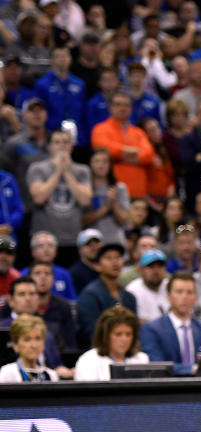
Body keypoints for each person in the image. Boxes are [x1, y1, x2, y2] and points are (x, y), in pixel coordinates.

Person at [26, 129, 93, 258]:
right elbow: (39, 198)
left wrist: (66, 172)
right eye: (57, 142)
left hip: (73, 237)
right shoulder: (37, 168)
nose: (62, 145)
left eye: (65, 142)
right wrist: (58, 172)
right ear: (49, 146)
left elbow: (85, 200)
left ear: (71, 147)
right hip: (44, 239)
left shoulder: (82, 170)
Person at [140, 271, 201, 375]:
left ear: (195, 298)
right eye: (179, 292)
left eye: (189, 292)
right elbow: (157, 365)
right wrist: (192, 369)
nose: (184, 297)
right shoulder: (152, 329)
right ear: (168, 296)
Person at [76, 242, 138, 346]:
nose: (115, 262)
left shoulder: (129, 297)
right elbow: (91, 332)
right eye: (108, 258)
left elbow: (134, 329)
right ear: (98, 266)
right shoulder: (90, 295)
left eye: (118, 258)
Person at [73, 305, 149, 380]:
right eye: (118, 334)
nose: (124, 339)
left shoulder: (141, 359)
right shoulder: (88, 360)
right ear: (105, 335)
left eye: (128, 334)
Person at [26, 260, 77, 357]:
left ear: (53, 280)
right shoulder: (23, 305)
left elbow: (70, 342)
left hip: (60, 359)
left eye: (47, 273)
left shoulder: (64, 306)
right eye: (37, 273)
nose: (43, 277)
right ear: (29, 279)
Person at [0, 314, 59, 381]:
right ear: (15, 345)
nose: (33, 345)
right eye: (27, 339)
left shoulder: (51, 375)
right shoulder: (8, 373)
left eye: (38, 339)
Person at [126, 248, 170, 323]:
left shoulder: (170, 286)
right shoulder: (132, 290)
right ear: (141, 269)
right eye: (151, 266)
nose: (156, 271)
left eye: (160, 266)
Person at [69, 229, 103, 293]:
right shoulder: (74, 273)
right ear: (79, 250)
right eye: (88, 244)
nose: (94, 247)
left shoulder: (109, 268)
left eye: (97, 242)